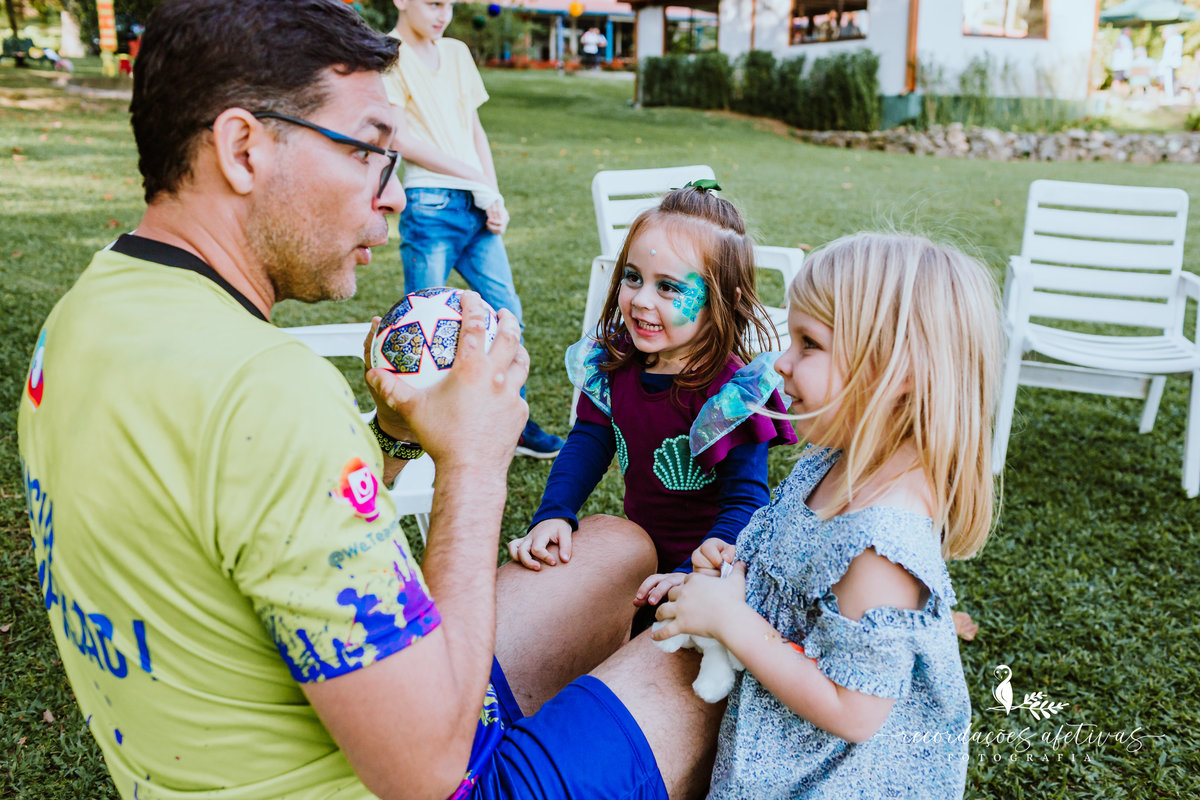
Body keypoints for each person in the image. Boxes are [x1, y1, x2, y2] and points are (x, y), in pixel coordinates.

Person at [17, 1, 723, 798]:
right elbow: (428, 771)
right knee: (712, 650)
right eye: (369, 152)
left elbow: (272, 536)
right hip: (415, 767)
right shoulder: (266, 393)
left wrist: (391, 437)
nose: (391, 195)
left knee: (618, 546)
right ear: (243, 149)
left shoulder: (83, 316)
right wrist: (476, 460)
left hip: (341, 709)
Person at [652, 232, 1003, 797]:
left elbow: (853, 710)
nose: (781, 364)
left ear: (898, 371)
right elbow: (791, 579)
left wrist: (731, 621)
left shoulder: (881, 544)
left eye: (807, 343)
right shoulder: (830, 462)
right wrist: (731, 577)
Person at [507, 185, 796, 604]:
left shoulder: (731, 395)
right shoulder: (615, 362)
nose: (640, 299)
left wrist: (694, 572)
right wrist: (554, 511)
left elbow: (745, 501)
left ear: (722, 301)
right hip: (638, 555)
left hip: (711, 573)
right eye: (633, 277)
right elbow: (589, 439)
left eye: (669, 288)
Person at [383, 0, 564, 459]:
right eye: (433, 3)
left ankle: (513, 424)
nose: (443, 13)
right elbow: (400, 138)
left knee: (509, 315)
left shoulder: (459, 52)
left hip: (477, 205)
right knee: (421, 331)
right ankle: (422, 436)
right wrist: (472, 177)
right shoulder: (387, 53)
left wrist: (492, 192)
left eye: (450, 4)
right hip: (431, 205)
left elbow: (474, 128)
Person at [1159, 26, 1184, 101]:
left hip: (1171, 64)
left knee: (1170, 80)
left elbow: (1172, 52)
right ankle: (1171, 96)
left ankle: (1171, 97)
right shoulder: (1175, 39)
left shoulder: (1175, 39)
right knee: (1170, 80)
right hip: (1170, 63)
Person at [1111, 27, 1134, 92]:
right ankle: (1115, 92)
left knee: (1121, 79)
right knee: (1118, 79)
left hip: (1124, 65)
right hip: (1121, 64)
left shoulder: (1126, 39)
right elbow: (1118, 48)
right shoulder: (1122, 38)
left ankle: (1119, 92)